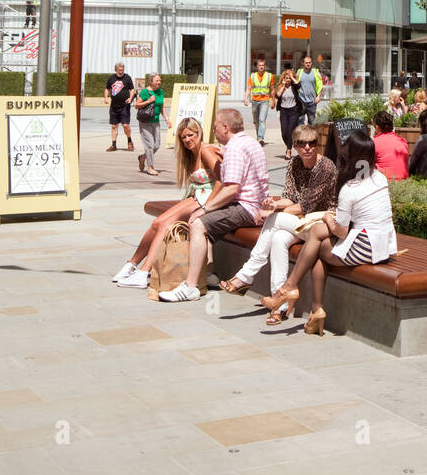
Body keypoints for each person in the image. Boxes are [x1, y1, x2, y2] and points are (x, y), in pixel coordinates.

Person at [260, 132, 398, 335]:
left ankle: (292, 290)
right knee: (317, 241)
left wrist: (326, 218)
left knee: (316, 245)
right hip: (384, 244)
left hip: (365, 247)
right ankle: (312, 310)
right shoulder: (379, 178)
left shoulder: (350, 189)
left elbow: (341, 231)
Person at [219, 124, 337, 322]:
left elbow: (307, 206)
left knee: (274, 220)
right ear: (295, 145)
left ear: (318, 144)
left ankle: (246, 275)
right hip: (300, 224)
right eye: (301, 143)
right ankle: (279, 304)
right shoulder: (294, 164)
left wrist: (269, 212)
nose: (307, 147)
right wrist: (274, 204)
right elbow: (290, 198)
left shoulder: (325, 167)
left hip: (321, 226)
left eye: (312, 143)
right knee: (278, 239)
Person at [159, 108, 269, 302]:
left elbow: (231, 189)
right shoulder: (250, 142)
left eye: (217, 126)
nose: (214, 131)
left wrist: (205, 208)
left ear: (226, 127)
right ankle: (209, 274)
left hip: (246, 208)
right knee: (203, 222)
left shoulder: (235, 148)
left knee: (198, 223)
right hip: (256, 204)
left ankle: (190, 286)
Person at [112, 119, 222, 289]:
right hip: (196, 197)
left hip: (207, 200)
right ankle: (131, 265)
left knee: (164, 224)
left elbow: (224, 179)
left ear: (199, 133)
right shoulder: (190, 154)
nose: (187, 140)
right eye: (183, 137)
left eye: (191, 135)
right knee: (157, 223)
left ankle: (143, 272)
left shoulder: (206, 151)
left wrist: (207, 206)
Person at [133, 73, 171, 176]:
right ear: (151, 82)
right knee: (149, 145)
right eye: (157, 81)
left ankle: (143, 157)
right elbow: (136, 105)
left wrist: (167, 119)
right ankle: (150, 167)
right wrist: (148, 101)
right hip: (145, 122)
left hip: (156, 122)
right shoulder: (145, 92)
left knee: (157, 145)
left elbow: (162, 106)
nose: (159, 82)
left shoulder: (160, 92)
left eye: (160, 81)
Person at [104, 61, 135, 152]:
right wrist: (106, 98)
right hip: (114, 105)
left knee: (125, 125)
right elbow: (107, 88)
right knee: (114, 126)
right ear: (115, 70)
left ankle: (129, 141)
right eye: (119, 70)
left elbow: (132, 89)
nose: (121, 71)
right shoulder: (111, 78)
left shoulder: (127, 78)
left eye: (122, 70)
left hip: (124, 105)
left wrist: (130, 98)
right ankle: (113, 144)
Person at [272, 64, 302, 159]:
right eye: (286, 78)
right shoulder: (281, 86)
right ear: (283, 78)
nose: (288, 80)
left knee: (290, 130)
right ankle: (290, 145)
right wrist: (283, 85)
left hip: (294, 111)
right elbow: (277, 96)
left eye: (289, 78)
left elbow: (298, 85)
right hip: (284, 111)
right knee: (284, 132)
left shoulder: (294, 87)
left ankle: (288, 150)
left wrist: (292, 77)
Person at [372, 108, 410, 180]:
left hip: (385, 184)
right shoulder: (402, 141)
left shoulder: (375, 142)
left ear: (377, 127)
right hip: (404, 183)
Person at [244, 57, 274, 146]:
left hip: (265, 100)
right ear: (257, 66)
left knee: (262, 120)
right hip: (255, 101)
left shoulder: (269, 76)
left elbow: (272, 89)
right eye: (260, 65)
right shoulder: (252, 76)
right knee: (256, 121)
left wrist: (273, 101)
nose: (261, 67)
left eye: (263, 65)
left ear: (265, 66)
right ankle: (258, 137)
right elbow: (249, 89)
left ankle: (260, 138)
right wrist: (246, 98)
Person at [293, 54, 323, 124]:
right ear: (303, 63)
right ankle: (301, 135)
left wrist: (318, 97)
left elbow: (320, 85)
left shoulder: (315, 72)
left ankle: (310, 135)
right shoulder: (299, 72)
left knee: (312, 122)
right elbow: (295, 84)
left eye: (309, 62)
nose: (308, 64)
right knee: (300, 121)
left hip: (312, 101)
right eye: (306, 63)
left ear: (311, 63)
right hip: (301, 101)